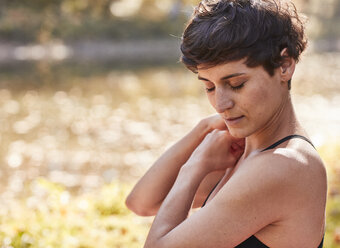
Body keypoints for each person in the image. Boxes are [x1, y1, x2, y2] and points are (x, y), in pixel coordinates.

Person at [125, 0, 327, 247]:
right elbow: (142, 202)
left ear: (284, 65)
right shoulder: (241, 154)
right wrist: (204, 128)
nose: (220, 104)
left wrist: (194, 166)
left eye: (236, 84)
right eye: (209, 86)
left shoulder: (284, 166)